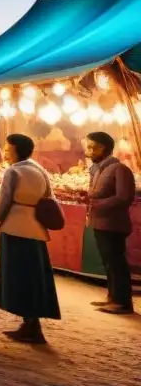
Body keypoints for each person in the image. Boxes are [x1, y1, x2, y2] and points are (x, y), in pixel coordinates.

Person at [0, 134, 61, 344]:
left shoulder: (13, 172)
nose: (5, 152)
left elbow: (3, 203)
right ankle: (31, 324)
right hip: (36, 230)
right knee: (34, 279)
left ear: (16, 151)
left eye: (8, 148)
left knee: (18, 278)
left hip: (15, 228)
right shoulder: (40, 170)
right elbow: (49, 197)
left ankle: (30, 325)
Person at [86, 131, 136, 315]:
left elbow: (124, 197)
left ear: (104, 148)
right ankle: (113, 297)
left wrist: (99, 204)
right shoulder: (99, 169)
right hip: (100, 222)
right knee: (108, 262)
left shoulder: (119, 169)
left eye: (93, 147)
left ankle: (123, 302)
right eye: (88, 147)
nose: (89, 151)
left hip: (114, 224)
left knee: (116, 262)